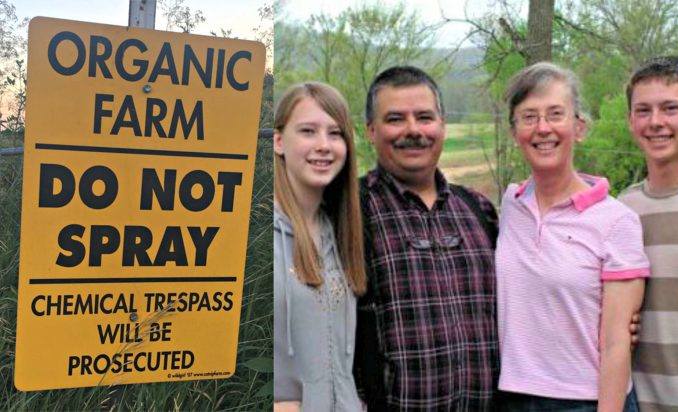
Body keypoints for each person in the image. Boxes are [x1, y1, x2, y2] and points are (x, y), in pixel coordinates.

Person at [495, 62, 649, 411]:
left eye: (555, 114)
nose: (542, 128)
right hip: (511, 397)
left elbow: (616, 344)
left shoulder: (616, 221)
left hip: (583, 401)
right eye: (529, 117)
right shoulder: (511, 205)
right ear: (514, 130)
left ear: (579, 127)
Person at [353, 66, 500, 411]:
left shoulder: (479, 210)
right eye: (395, 119)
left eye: (424, 117)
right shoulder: (349, 211)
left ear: (442, 125)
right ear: (371, 131)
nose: (413, 130)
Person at [273, 82, 366, 412]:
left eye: (336, 133)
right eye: (308, 131)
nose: (324, 145)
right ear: (279, 140)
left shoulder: (341, 231)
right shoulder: (253, 235)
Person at [618, 56, 678, 412]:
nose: (656, 123)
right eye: (643, 110)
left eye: (670, 108)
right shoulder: (622, 210)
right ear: (630, 120)